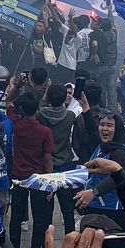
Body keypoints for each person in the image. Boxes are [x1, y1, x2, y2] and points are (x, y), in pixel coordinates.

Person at [9, 93, 54, 248]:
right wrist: (50, 182)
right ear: (37, 110)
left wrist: (15, 87)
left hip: (18, 177)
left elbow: (9, 103)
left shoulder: (15, 125)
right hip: (38, 178)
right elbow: (48, 157)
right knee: (40, 218)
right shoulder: (45, 131)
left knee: (16, 218)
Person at [74, 110, 125, 230]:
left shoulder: (120, 152)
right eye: (102, 124)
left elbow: (118, 177)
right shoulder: (102, 147)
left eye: (109, 125)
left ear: (117, 128)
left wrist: (94, 192)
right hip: (96, 207)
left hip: (113, 210)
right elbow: (92, 130)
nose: (104, 129)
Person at [36, 83, 79, 234]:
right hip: (65, 165)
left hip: (46, 167)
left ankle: (46, 244)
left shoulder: (40, 115)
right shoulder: (70, 116)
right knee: (67, 210)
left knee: (46, 211)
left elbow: (40, 106)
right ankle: (71, 240)